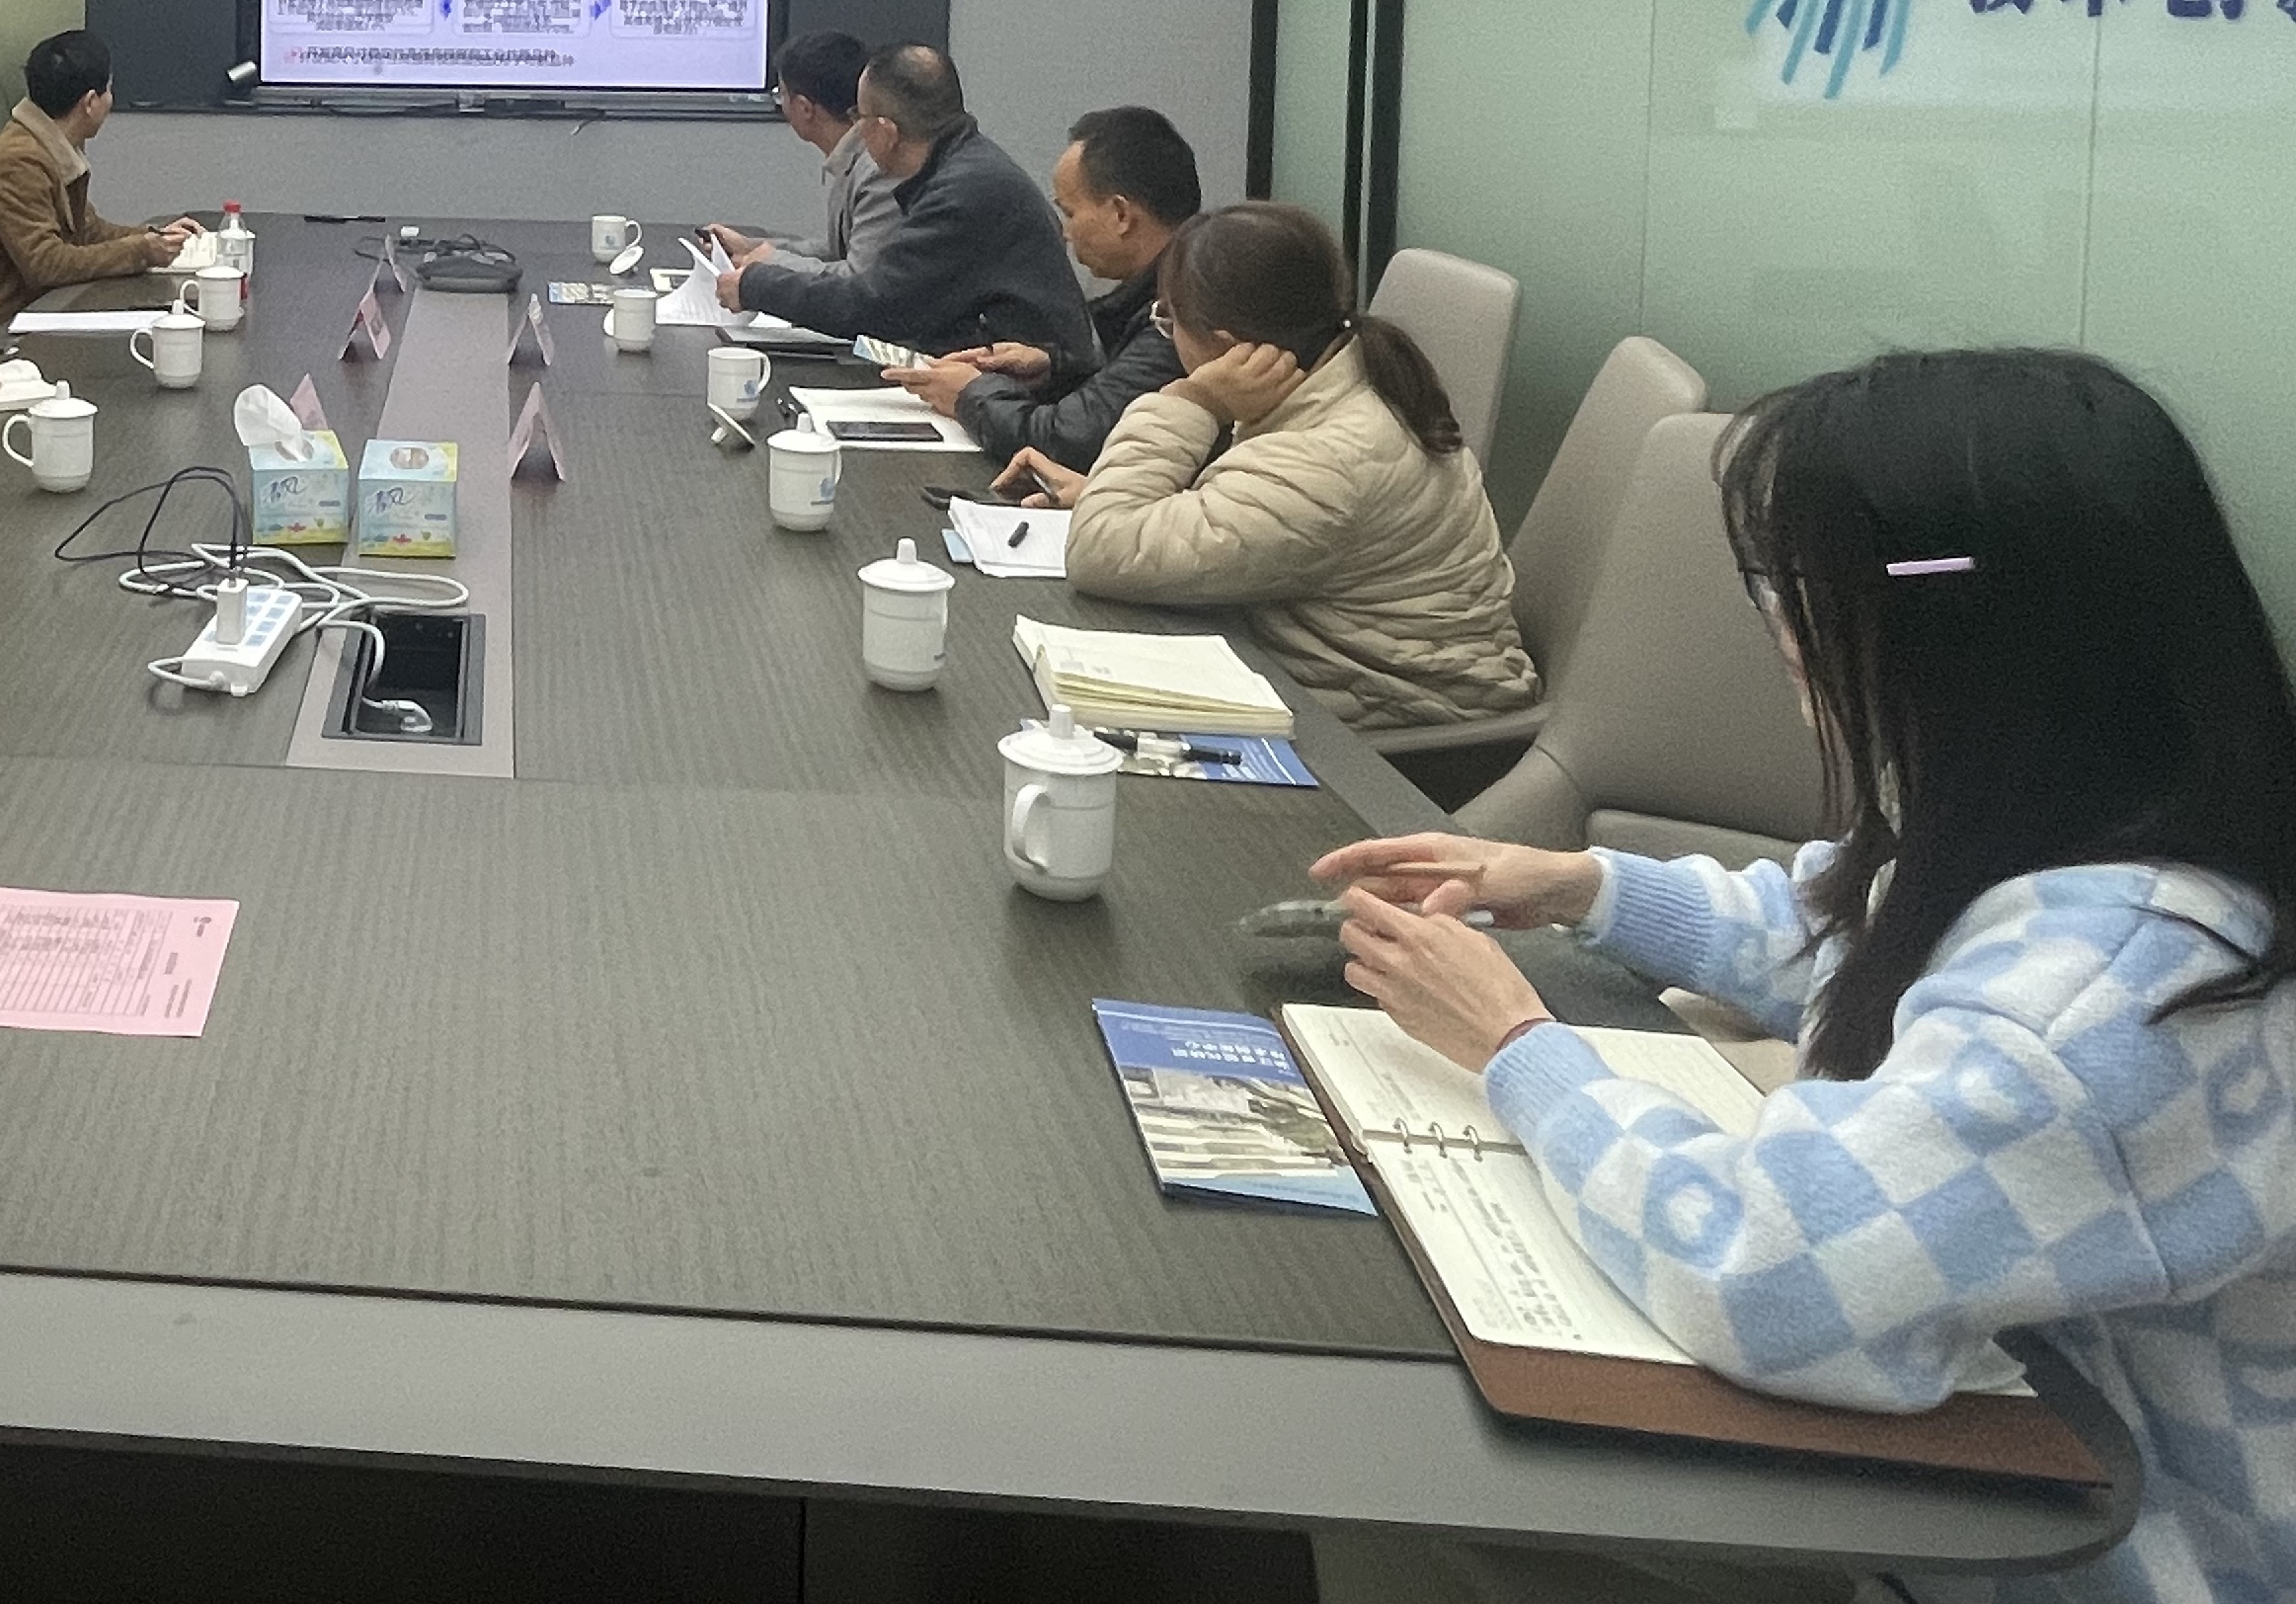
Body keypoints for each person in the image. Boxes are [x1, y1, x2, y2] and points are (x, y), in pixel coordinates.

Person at [1308, 349, 2296, 1604]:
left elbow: (1766, 1273)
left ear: (1974, 621)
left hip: (2083, 1551)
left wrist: (1517, 1046)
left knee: (1423, 1475)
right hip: (1993, 1453)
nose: (1779, 626)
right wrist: (1585, 887)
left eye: (1802, 588)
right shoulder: (2093, 816)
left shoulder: (2107, 998)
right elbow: (1845, 933)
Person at [1052, 200, 1527, 731]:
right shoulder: (1345, 375)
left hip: (1395, 722)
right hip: (1345, 669)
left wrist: (1192, 399)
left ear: (1228, 348)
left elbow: (1099, 550)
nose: (1170, 336)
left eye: (1169, 321)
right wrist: (1116, 493)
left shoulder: (1324, 461)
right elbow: (1248, 509)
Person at [717, 42, 1091, 374]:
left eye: (860, 118)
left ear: (885, 131)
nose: (857, 130)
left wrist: (757, 285)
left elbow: (875, 305)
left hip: (1029, 387)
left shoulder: (962, 193)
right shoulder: (961, 167)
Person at [890, 105, 1195, 476]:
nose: (1065, 232)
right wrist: (1053, 370)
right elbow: (1116, 395)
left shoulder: (1182, 319)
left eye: (1070, 213)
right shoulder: (1167, 289)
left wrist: (969, 396)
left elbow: (1069, 441)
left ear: (1121, 215)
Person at [0, 28, 198, 338]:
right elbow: (45, 263)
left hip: (39, 312)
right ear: (90, 102)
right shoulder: (17, 161)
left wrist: (157, 236)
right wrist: (141, 251)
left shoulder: (49, 145)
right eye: (109, 91)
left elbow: (88, 231)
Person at [702, 30, 900, 283]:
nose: (781, 105)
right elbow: (837, 252)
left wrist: (767, 262)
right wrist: (752, 247)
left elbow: (858, 278)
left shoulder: (876, 170)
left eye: (781, 95)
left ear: (805, 108)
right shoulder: (854, 156)